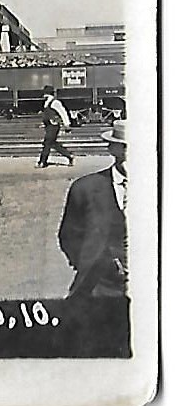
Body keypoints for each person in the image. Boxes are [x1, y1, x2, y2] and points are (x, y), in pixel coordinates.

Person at [58, 119, 127, 298]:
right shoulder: (86, 189)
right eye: (125, 148)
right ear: (112, 149)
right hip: (100, 287)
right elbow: (68, 236)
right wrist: (92, 264)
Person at [36, 84, 74, 167]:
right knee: (52, 143)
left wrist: (67, 124)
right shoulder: (47, 103)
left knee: (47, 143)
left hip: (54, 126)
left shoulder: (55, 102)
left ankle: (42, 162)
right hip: (49, 126)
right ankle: (69, 155)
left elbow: (63, 113)